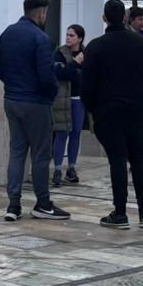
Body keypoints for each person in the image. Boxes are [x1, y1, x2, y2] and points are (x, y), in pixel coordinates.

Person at [82, 0, 143, 229]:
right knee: (137, 159)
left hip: (108, 110)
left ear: (104, 18)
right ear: (125, 18)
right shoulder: (140, 43)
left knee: (117, 160)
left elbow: (87, 84)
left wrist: (93, 108)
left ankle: (120, 212)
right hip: (136, 108)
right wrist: (142, 98)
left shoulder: (95, 46)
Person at [0, 0, 69, 222]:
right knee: (40, 154)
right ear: (41, 13)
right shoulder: (41, 39)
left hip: (12, 100)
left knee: (17, 152)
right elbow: (46, 76)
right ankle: (43, 203)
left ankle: (13, 204)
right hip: (35, 102)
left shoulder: (7, 34)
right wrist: (51, 93)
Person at [52, 25, 86, 187]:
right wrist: (75, 63)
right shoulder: (60, 53)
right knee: (61, 132)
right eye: (67, 35)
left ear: (79, 38)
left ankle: (71, 168)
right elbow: (60, 74)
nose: (68, 38)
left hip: (79, 99)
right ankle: (57, 169)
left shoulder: (86, 53)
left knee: (76, 133)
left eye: (72, 35)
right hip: (63, 99)